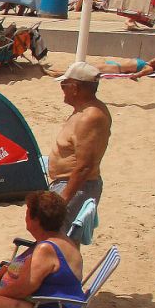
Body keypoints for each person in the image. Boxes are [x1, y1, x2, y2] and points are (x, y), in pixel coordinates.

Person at [45, 62, 110, 230]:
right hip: (71, 184)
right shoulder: (84, 110)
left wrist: (62, 200)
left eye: (63, 85)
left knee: (57, 240)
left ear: (75, 88)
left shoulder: (89, 117)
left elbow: (84, 166)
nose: (62, 89)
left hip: (75, 187)